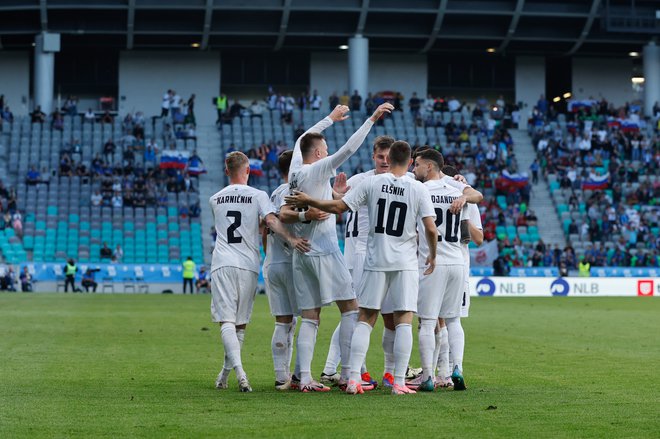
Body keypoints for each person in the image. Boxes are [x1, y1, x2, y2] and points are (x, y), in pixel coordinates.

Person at [285, 140, 438, 395]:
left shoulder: (370, 182)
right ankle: (398, 382)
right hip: (405, 263)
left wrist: (309, 199)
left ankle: (353, 378)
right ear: (410, 162)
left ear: (389, 159)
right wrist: (432, 255)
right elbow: (431, 228)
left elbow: (338, 207)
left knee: (365, 318)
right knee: (403, 321)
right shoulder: (418, 188)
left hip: (374, 260)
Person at [280, 102, 393, 392]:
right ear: (317, 154)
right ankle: (345, 374)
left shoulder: (295, 168)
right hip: (324, 249)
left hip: (300, 252)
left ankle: (304, 378)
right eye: (325, 148)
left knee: (310, 315)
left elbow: (301, 138)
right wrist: (371, 119)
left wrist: (329, 119)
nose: (329, 151)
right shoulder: (318, 168)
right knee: (351, 309)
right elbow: (349, 150)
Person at [211, 151, 309, 393]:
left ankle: (230, 373)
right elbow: (271, 222)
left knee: (227, 321)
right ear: (248, 171)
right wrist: (291, 238)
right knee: (240, 324)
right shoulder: (258, 195)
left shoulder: (214, 198)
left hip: (222, 262)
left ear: (226, 171)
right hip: (248, 264)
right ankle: (235, 374)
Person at [319, 135, 395, 388]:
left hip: (363, 254)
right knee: (363, 313)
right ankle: (357, 370)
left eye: (388, 157)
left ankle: (332, 368)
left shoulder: (369, 180)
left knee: (352, 313)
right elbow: (334, 199)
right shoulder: (364, 180)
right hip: (363, 254)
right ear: (373, 156)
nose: (384, 161)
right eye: (380, 156)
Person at [407, 151, 482, 392]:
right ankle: (456, 368)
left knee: (428, 323)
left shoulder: (420, 190)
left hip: (433, 262)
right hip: (457, 262)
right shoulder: (458, 189)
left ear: (429, 167)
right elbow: (475, 199)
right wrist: (464, 195)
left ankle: (428, 376)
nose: (414, 169)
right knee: (453, 320)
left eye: (417, 165)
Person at [262, 150, 330, 390]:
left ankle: (282, 377)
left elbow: (265, 226)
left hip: (272, 262)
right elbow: (284, 216)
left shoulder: (272, 193)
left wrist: (269, 254)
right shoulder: (293, 193)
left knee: (283, 322)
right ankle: (302, 376)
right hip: (293, 262)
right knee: (310, 318)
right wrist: (306, 215)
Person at [440, 165, 484, 387]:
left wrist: (464, 217)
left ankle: (445, 372)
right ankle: (447, 371)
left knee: (441, 320)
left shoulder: (467, 200)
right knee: (445, 320)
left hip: (454, 265)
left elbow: (478, 239)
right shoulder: (429, 191)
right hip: (451, 264)